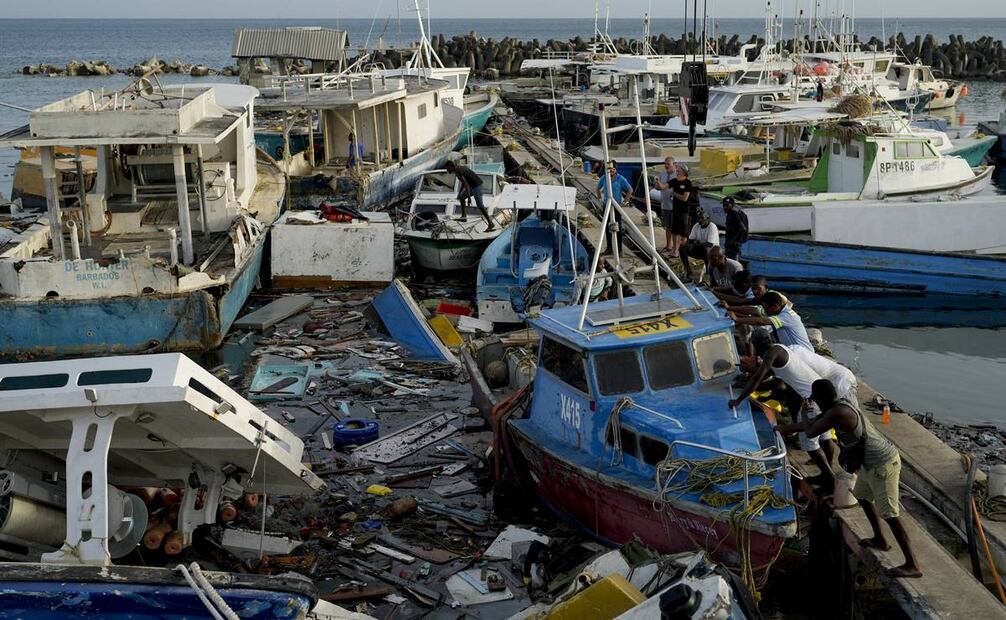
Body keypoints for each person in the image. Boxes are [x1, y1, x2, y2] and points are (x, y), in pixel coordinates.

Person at [780, 379, 922, 578]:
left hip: (883, 464)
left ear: (821, 398)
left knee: (890, 514)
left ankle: (912, 564)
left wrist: (804, 412)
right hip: (869, 464)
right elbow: (812, 425)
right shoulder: (836, 407)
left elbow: (811, 430)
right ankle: (880, 539)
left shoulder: (838, 413)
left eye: (815, 398)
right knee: (862, 496)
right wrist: (783, 429)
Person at [729, 339, 836, 486]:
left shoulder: (770, 354)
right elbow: (767, 376)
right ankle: (829, 469)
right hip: (822, 397)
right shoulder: (781, 349)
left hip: (811, 400)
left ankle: (828, 477)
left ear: (758, 346)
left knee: (808, 441)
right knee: (825, 435)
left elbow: (758, 377)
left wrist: (739, 400)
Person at [729, 291, 812, 351]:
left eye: (766, 308)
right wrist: (729, 308)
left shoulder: (787, 316)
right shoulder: (775, 310)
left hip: (804, 354)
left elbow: (762, 321)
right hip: (793, 352)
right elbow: (753, 310)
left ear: (775, 306)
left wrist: (737, 319)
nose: (764, 311)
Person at [445, 160, 494, 230]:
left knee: (480, 205)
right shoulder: (458, 168)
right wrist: (459, 194)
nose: (447, 170)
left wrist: (469, 198)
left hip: (477, 186)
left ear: (450, 167)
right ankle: (464, 217)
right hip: (472, 186)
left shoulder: (458, 171)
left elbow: (466, 185)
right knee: (461, 197)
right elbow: (464, 183)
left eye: (447, 168)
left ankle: (490, 223)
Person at [596, 162, 633, 255]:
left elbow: (630, 190)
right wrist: (600, 199)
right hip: (606, 205)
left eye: (613, 169)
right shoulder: (604, 178)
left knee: (618, 228)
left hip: (616, 206)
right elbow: (597, 189)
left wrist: (625, 201)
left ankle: (619, 250)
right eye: (609, 169)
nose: (611, 170)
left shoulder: (620, 179)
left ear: (616, 169)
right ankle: (609, 248)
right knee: (607, 227)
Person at [680, 209, 719, 281]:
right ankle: (688, 271)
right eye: (699, 218)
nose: (700, 220)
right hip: (701, 249)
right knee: (682, 248)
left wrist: (696, 243)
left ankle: (709, 274)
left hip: (712, 252)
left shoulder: (712, 227)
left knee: (706, 249)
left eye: (702, 218)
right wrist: (689, 244)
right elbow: (691, 240)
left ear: (707, 219)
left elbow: (710, 244)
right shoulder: (696, 226)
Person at [667, 166, 693, 258]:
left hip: (684, 211)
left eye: (679, 170)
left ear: (684, 172)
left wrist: (674, 194)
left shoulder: (688, 183)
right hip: (675, 210)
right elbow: (663, 186)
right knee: (675, 231)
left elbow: (684, 198)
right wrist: (657, 182)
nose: (677, 172)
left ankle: (682, 250)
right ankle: (675, 250)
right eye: (677, 170)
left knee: (684, 233)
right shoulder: (674, 181)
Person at [654, 156, 678, 254]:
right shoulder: (662, 174)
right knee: (667, 227)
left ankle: (675, 248)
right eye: (665, 164)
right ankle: (668, 245)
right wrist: (657, 183)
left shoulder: (677, 175)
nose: (666, 166)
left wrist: (660, 184)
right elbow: (659, 187)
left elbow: (664, 186)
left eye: (668, 164)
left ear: (674, 165)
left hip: (675, 206)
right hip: (665, 204)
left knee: (675, 228)